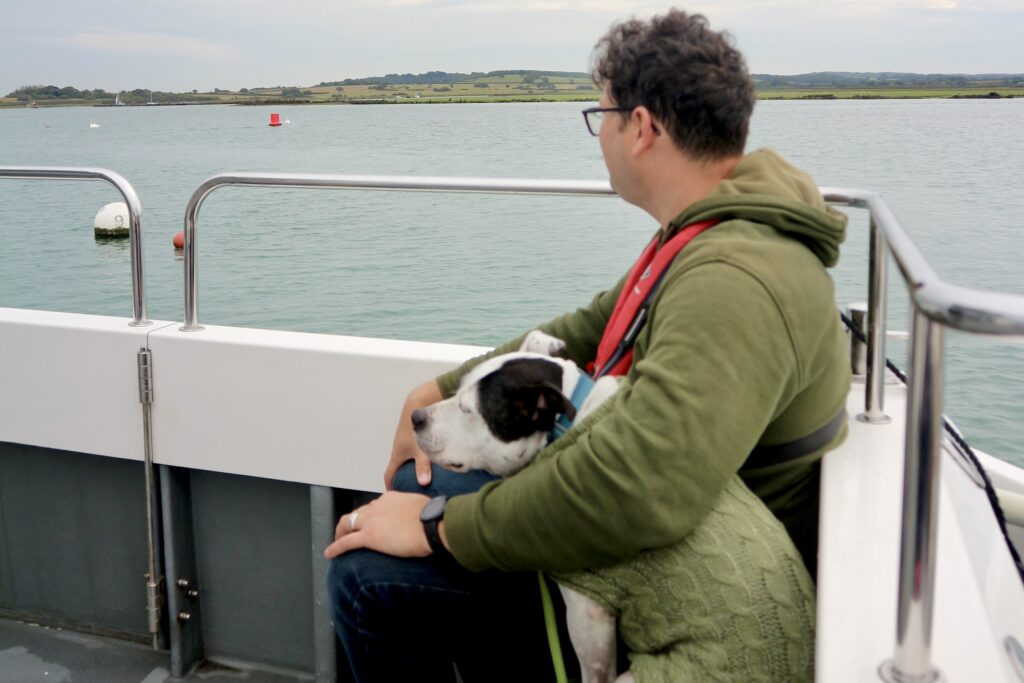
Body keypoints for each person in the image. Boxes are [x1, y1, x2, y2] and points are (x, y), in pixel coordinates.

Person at [325, 8, 850, 682]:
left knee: (366, 575)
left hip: (681, 594)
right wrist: (434, 390)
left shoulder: (733, 279)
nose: (596, 131)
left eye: (598, 113)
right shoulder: (707, 234)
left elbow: (641, 483)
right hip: (656, 540)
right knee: (405, 484)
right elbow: (593, 325)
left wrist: (438, 527)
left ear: (642, 127)